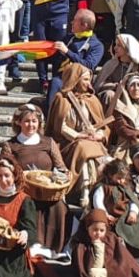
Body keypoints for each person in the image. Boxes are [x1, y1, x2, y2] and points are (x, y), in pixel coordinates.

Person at [4, 104, 71, 251]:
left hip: (48, 190)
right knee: (29, 206)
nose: (30, 125)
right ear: (18, 122)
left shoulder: (48, 142)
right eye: (27, 121)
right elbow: (7, 169)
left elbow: (61, 167)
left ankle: (54, 247)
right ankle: (33, 244)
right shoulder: (11, 145)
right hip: (25, 190)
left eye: (34, 121)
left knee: (59, 207)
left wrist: (63, 176)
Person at [46, 61, 112, 207]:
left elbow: (104, 126)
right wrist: (78, 135)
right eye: (86, 79)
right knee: (82, 147)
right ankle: (86, 191)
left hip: (92, 142)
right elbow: (59, 127)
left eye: (90, 79)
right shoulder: (61, 99)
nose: (89, 83)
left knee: (86, 152)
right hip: (67, 144)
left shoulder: (92, 99)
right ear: (75, 79)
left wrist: (100, 134)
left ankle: (87, 191)